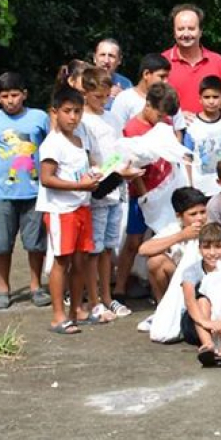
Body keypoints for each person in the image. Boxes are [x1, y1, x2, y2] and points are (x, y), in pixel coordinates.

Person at [0, 72, 51, 310]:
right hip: (2, 194)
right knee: (2, 244)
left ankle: (36, 285)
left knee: (35, 243)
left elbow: (54, 145)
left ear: (24, 94)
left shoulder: (39, 118)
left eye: (15, 95)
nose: (11, 100)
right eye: (5, 96)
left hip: (35, 193)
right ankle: (3, 287)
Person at [37, 86, 100, 334]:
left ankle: (77, 310)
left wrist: (93, 178)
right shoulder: (52, 144)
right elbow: (46, 178)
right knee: (61, 261)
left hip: (81, 206)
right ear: (55, 112)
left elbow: (80, 172)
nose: (73, 117)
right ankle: (58, 315)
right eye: (67, 111)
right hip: (60, 210)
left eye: (77, 111)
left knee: (80, 261)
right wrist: (79, 184)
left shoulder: (79, 140)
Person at [115, 81, 181, 301]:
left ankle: (158, 289)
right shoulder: (133, 129)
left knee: (162, 239)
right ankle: (120, 287)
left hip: (165, 189)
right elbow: (133, 164)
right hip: (142, 193)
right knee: (134, 241)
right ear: (148, 104)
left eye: (166, 117)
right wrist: (145, 196)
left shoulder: (165, 122)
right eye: (160, 115)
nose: (163, 120)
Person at [78, 67, 133, 321]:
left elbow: (120, 148)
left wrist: (125, 167)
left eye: (106, 97)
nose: (103, 101)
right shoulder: (83, 122)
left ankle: (107, 297)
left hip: (117, 187)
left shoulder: (112, 119)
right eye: (98, 97)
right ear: (86, 93)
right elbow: (87, 156)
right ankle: (94, 299)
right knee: (95, 248)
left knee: (109, 246)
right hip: (97, 190)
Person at [180, 223, 221, 366]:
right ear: (200, 249)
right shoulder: (191, 271)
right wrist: (206, 323)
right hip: (196, 322)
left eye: (217, 246)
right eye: (207, 247)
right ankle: (208, 345)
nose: (212, 252)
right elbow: (190, 301)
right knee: (203, 300)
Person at [162, 3, 221, 118]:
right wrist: (177, 117)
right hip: (174, 132)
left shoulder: (217, 61)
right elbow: (151, 101)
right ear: (174, 32)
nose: (186, 34)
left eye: (191, 29)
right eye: (181, 29)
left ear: (201, 31)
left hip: (211, 131)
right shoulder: (162, 62)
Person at [138, 186, 210, 303]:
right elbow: (143, 249)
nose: (200, 218)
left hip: (206, 281)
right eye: (193, 214)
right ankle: (163, 306)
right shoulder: (174, 228)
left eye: (203, 212)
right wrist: (181, 236)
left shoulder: (212, 226)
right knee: (155, 261)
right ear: (179, 216)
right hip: (180, 281)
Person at [107, 53, 176, 135]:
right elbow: (117, 131)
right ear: (146, 74)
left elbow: (177, 131)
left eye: (167, 77)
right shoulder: (125, 98)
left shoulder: (168, 98)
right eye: (162, 77)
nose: (165, 81)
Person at [93, 38, 134, 103]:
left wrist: (124, 97)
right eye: (102, 55)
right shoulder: (82, 80)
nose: (106, 60)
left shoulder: (126, 84)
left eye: (111, 56)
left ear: (119, 60)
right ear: (94, 58)